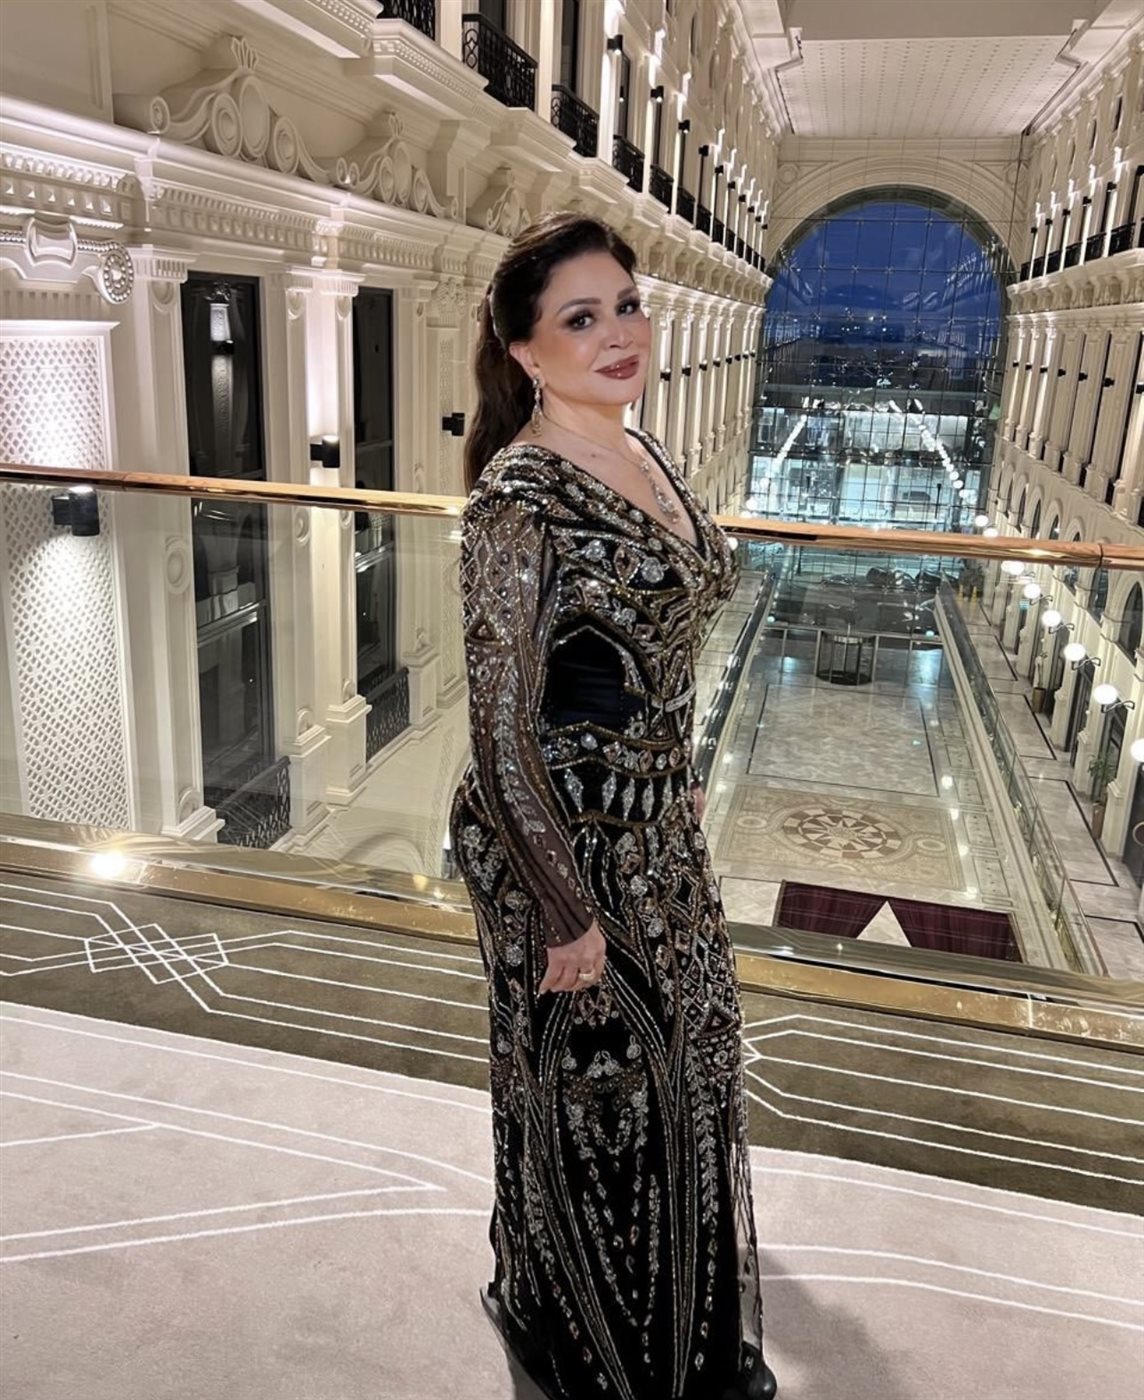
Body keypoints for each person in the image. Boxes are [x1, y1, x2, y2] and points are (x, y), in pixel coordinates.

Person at [449, 211, 776, 1400]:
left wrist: (673, 759)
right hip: (557, 844)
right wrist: (563, 910)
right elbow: (498, 729)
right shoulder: (518, 498)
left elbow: (660, 645)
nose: (618, 333)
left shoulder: (645, 452)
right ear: (524, 350)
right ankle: (610, 1353)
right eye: (581, 317)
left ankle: (684, 1336)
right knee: (600, 1103)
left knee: (690, 1076)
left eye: (627, 305)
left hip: (653, 825)